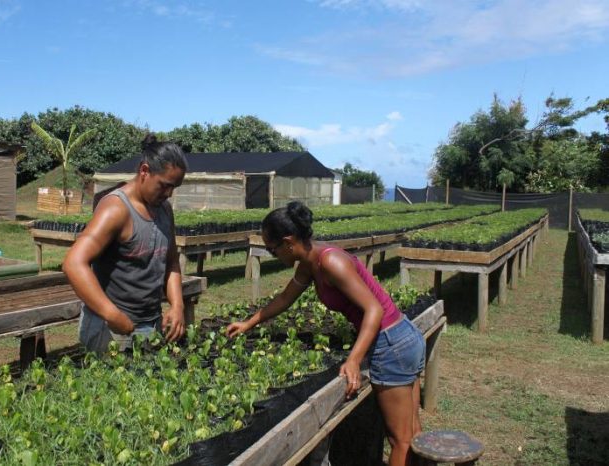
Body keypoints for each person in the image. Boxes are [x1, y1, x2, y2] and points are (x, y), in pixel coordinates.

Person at [226, 201, 426, 466]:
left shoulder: (330, 261)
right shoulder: (309, 265)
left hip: (392, 344)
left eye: (273, 250)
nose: (274, 256)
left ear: (288, 242)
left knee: (400, 439)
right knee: (411, 433)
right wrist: (249, 323)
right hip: (400, 338)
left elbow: (374, 310)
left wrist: (354, 359)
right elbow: (286, 298)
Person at [63, 134, 187, 353]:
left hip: (151, 322)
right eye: (165, 186)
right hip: (110, 329)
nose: (168, 194)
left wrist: (177, 305)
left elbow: (172, 262)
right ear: (145, 171)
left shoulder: (164, 210)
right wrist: (111, 313)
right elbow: (74, 263)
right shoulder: (116, 209)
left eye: (174, 188)